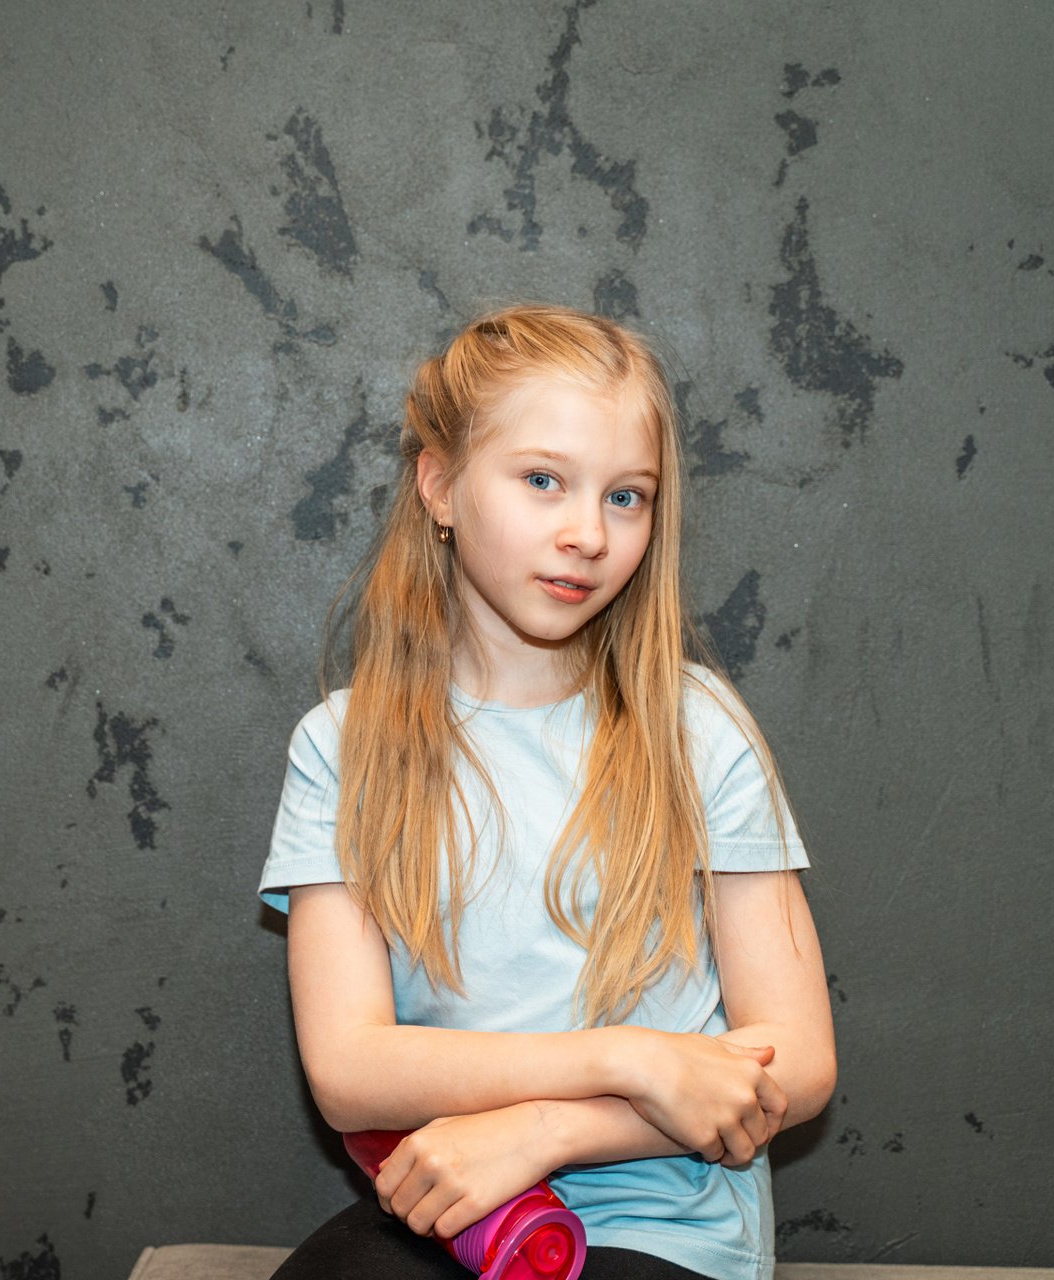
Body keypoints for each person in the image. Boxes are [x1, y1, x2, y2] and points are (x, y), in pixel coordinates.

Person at [257, 305, 836, 1280]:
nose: (587, 534)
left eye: (627, 496)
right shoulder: (343, 746)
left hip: (664, 1226)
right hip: (462, 1213)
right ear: (440, 484)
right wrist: (628, 1056)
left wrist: (544, 1130)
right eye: (542, 481)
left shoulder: (698, 728)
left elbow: (801, 1060)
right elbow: (349, 1070)